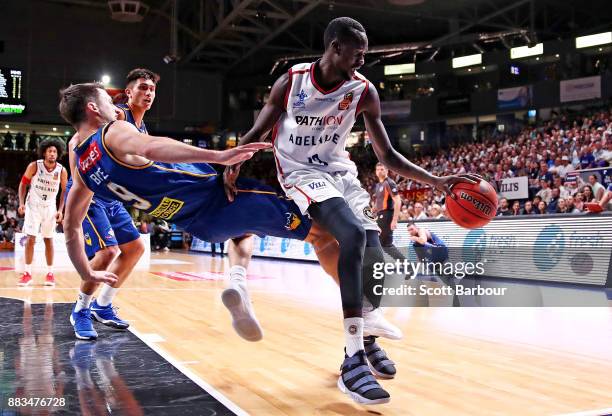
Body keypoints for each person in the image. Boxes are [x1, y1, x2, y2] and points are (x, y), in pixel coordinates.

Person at [60, 83, 402, 380]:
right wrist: (219, 155)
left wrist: (84, 269)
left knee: (244, 233)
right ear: (93, 109)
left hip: (196, 223)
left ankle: (238, 283)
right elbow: (153, 147)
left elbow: (72, 227)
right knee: (325, 235)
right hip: (218, 198)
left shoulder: (83, 170)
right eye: (106, 99)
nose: (113, 105)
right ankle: (366, 319)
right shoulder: (113, 134)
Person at [224, 17, 474, 404]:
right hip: (300, 174)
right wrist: (232, 160)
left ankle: (365, 338)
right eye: (358, 53)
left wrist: (437, 181)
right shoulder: (292, 81)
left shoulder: (363, 90)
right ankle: (353, 361)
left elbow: (387, 155)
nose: (363, 59)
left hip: (342, 174)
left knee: (375, 255)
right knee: (352, 235)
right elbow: (258, 131)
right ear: (335, 48)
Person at [63, 68, 160, 340]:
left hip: (112, 196)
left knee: (135, 248)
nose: (148, 93)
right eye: (142, 88)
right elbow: (77, 139)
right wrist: (79, 178)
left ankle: (102, 306)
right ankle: (80, 311)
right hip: (90, 193)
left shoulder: (141, 127)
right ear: (128, 93)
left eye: (152, 89)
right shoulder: (116, 115)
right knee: (108, 252)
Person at [17, 138, 68, 286]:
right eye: (50, 151)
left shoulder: (61, 170)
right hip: (33, 206)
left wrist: (60, 210)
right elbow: (23, 184)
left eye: (55, 151)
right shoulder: (34, 166)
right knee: (30, 239)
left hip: (50, 207)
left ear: (58, 154)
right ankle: (27, 273)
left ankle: (50, 273)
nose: (52, 154)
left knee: (48, 239)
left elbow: (64, 191)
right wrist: (21, 203)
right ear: (44, 153)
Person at [372, 163, 400, 247]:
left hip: (387, 215)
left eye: (382, 169)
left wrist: (394, 220)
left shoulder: (389, 183)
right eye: (378, 170)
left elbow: (398, 201)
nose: (379, 172)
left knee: (384, 243)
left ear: (387, 171)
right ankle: (403, 260)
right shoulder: (378, 185)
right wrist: (370, 211)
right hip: (380, 215)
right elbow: (378, 202)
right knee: (383, 244)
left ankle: (404, 260)